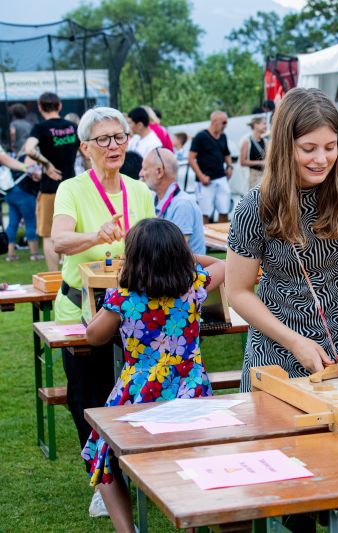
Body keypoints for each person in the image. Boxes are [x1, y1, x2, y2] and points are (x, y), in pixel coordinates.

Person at [226, 88, 338, 391]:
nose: (321, 159)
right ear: (284, 145)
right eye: (308, 148)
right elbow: (238, 291)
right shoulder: (254, 206)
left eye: (331, 147)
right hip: (274, 351)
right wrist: (293, 341)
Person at [81, 218, 225, 533]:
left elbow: (94, 336)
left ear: (133, 258)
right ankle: (191, 525)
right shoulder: (194, 287)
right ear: (180, 254)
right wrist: (190, 258)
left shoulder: (123, 298)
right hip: (191, 391)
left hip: (139, 393)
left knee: (99, 451)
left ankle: (125, 529)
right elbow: (222, 265)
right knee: (191, 459)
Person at [50, 106, 155, 517]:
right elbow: (59, 240)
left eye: (120, 138)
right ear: (85, 148)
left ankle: (136, 471)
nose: (114, 146)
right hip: (80, 311)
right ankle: (102, 479)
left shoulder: (141, 191)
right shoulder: (72, 190)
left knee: (129, 395)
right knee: (88, 399)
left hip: (133, 314)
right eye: (104, 140)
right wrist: (96, 234)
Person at [23, 92, 80, 272]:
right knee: (72, 233)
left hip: (50, 189)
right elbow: (86, 154)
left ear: (40, 107)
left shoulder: (40, 128)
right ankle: (72, 274)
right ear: (60, 106)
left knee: (49, 235)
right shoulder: (72, 127)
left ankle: (54, 279)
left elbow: (29, 149)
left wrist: (46, 163)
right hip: (72, 187)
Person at [140, 147, 206, 254]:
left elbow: (173, 254)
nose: (141, 174)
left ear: (159, 172)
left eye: (145, 169)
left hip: (182, 269)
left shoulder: (183, 205)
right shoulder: (153, 198)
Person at [189, 111, 233, 223]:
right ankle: (204, 239)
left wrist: (229, 166)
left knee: (224, 210)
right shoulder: (201, 137)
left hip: (221, 178)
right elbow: (191, 158)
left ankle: (223, 238)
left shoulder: (223, 136)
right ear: (215, 121)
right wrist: (201, 176)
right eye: (224, 122)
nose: (225, 125)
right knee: (204, 213)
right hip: (205, 181)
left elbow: (227, 154)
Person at [3, 146, 42, 261]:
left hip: (11, 193)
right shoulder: (31, 157)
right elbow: (36, 176)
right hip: (25, 193)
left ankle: (10, 254)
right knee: (30, 223)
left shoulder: (18, 157)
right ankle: (34, 254)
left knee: (12, 224)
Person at [240, 115, 267, 189]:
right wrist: (260, 163)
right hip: (253, 177)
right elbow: (242, 162)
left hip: (265, 176)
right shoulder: (247, 141)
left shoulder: (265, 141)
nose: (266, 126)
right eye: (264, 123)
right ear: (256, 125)